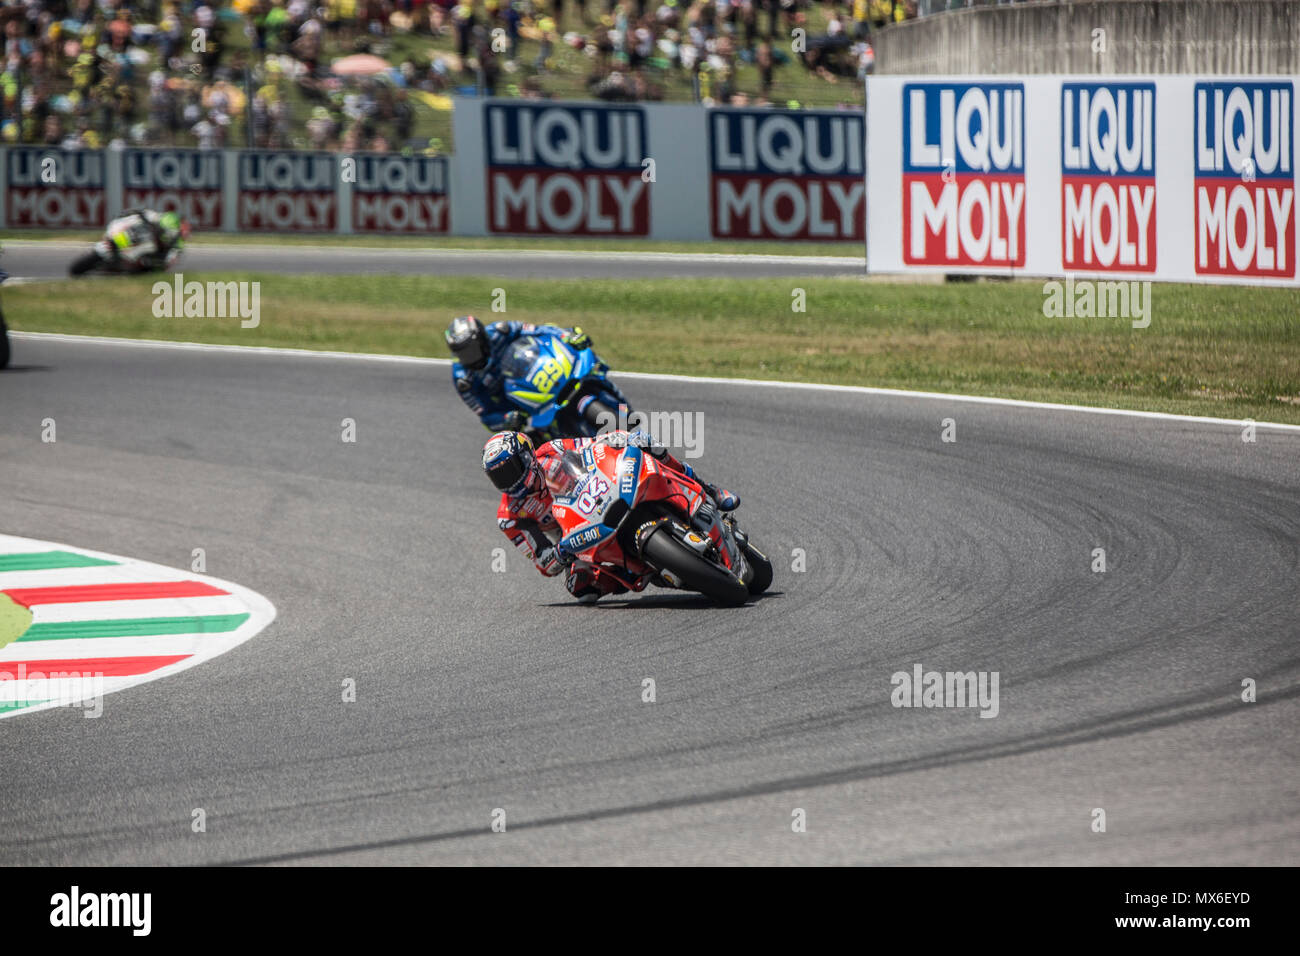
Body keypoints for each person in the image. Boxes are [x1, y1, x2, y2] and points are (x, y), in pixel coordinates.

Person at [482, 428, 740, 603]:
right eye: (499, 477)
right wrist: (561, 552)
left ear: (527, 456)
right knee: (579, 588)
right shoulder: (510, 516)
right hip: (577, 538)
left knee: (643, 439)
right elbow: (544, 563)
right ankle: (647, 571)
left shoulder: (551, 450)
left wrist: (615, 440)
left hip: (600, 493)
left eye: (511, 469)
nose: (509, 481)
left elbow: (592, 448)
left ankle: (708, 490)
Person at [446, 314, 627, 432]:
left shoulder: (501, 331)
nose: (469, 358)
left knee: (582, 354)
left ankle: (610, 395)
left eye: (471, 351)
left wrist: (566, 336)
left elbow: (540, 329)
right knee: (527, 447)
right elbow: (486, 415)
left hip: (535, 372)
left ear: (483, 340)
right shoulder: (464, 379)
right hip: (517, 406)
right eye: (461, 353)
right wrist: (507, 419)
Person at [104, 208, 191, 270]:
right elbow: (148, 214)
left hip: (151, 253)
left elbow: (168, 262)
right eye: (185, 227)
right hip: (146, 233)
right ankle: (114, 241)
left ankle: (128, 260)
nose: (186, 231)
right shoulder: (170, 218)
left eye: (187, 230)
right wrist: (135, 213)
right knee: (140, 229)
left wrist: (158, 263)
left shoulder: (178, 244)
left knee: (149, 247)